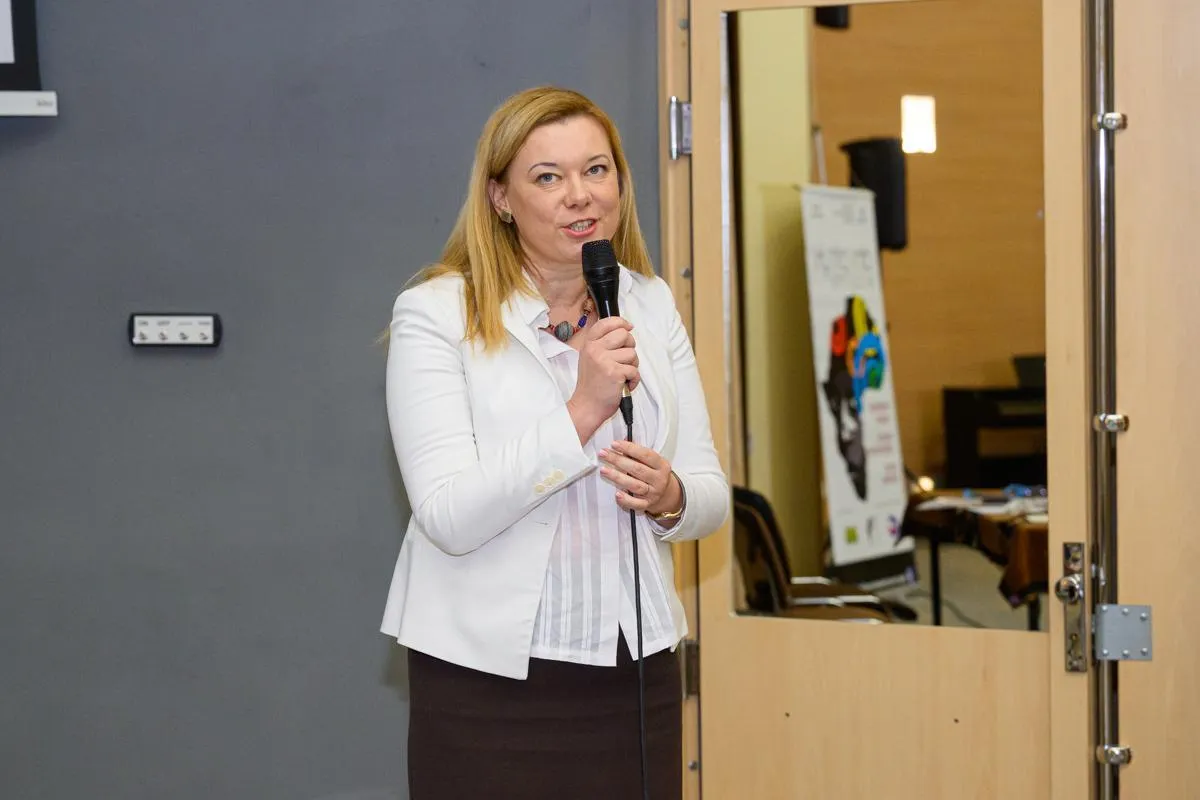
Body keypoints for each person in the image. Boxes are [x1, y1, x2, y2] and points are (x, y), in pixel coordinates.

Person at [380, 86, 729, 800]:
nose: (580, 195)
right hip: (488, 679)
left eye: (596, 170)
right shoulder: (437, 313)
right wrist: (582, 410)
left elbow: (710, 494)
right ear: (500, 198)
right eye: (548, 177)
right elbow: (447, 516)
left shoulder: (649, 302)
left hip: (635, 670)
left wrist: (670, 497)